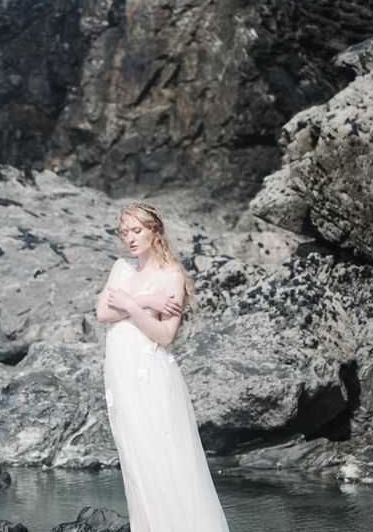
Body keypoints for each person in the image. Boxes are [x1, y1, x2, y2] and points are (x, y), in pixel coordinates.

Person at [96, 202, 230, 532]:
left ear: (155, 231)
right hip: (121, 377)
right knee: (134, 457)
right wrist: (143, 301)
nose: (130, 238)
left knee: (163, 455)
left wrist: (128, 304)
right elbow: (102, 313)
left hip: (149, 376)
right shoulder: (121, 268)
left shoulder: (171, 276)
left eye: (137, 230)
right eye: (124, 232)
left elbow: (165, 335)